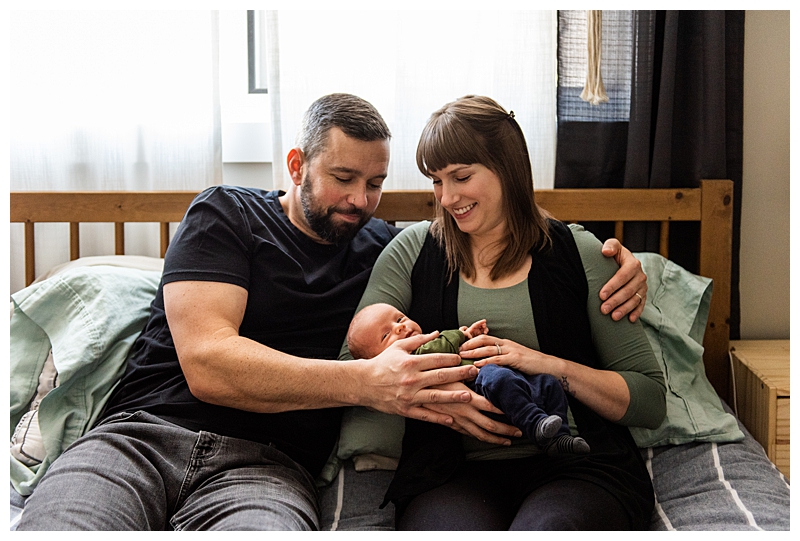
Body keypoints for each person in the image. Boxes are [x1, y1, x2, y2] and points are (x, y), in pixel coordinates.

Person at [17, 93, 649, 531]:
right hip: (140, 437)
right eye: (343, 178)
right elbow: (208, 362)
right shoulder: (228, 215)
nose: (360, 200)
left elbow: (499, 264)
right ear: (297, 166)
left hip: (267, 468)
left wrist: (626, 263)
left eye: (374, 184)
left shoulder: (391, 251)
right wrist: (371, 384)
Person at [345, 95, 666, 530]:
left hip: (579, 467)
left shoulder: (582, 255)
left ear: (508, 168)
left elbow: (649, 400)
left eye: (461, 176)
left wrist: (548, 365)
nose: (447, 197)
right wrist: (440, 402)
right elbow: (355, 360)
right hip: (450, 473)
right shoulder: (412, 252)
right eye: (437, 181)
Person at [347, 303, 589, 454]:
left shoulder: (429, 342)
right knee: (498, 376)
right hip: (480, 388)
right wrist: (459, 334)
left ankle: (559, 438)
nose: (399, 327)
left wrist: (468, 336)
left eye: (399, 319)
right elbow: (439, 346)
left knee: (549, 383)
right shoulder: (416, 354)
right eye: (386, 335)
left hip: (511, 387)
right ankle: (537, 424)